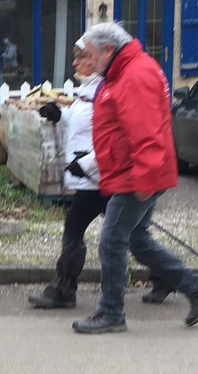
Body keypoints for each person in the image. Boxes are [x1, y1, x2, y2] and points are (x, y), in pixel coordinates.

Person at [71, 22, 198, 334]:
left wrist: (143, 182)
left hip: (137, 175)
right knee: (137, 240)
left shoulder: (133, 76)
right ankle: (197, 287)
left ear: (108, 50)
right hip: (137, 172)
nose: (88, 62)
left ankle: (111, 312)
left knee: (111, 240)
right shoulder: (124, 71)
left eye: (91, 55)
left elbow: (147, 134)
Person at [28, 39, 173, 309]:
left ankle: (64, 290)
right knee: (132, 236)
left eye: (82, 57)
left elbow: (116, 136)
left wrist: (86, 164)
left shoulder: (107, 89)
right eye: (76, 56)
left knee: (76, 227)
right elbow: (83, 119)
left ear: (97, 57)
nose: (75, 62)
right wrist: (59, 115)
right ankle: (165, 276)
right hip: (93, 175)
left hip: (98, 177)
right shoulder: (90, 88)